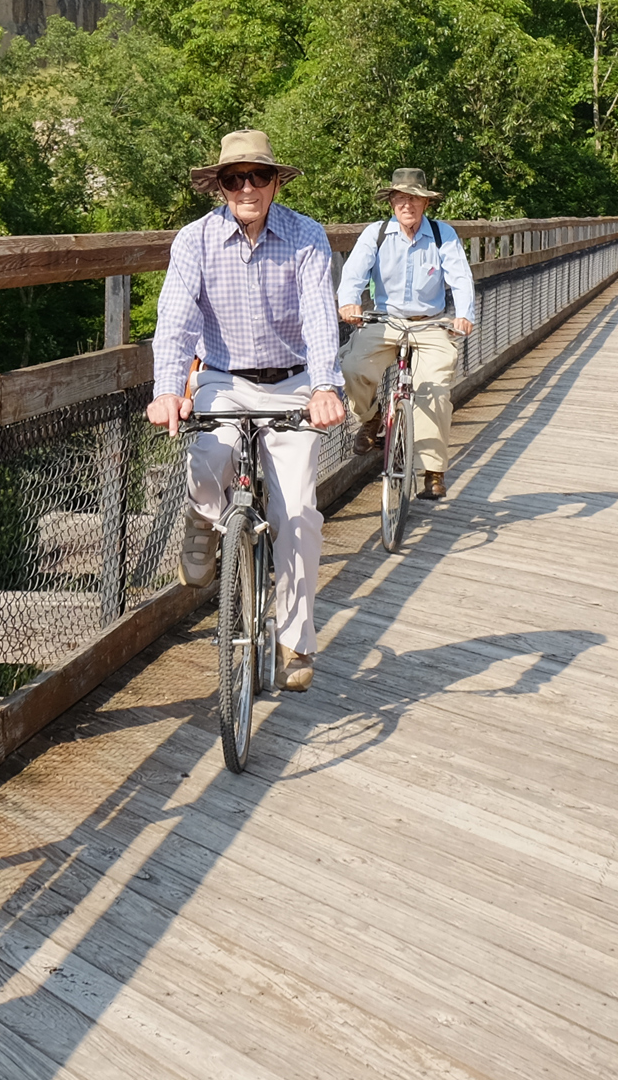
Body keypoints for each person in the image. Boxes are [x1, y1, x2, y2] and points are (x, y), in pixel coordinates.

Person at [147, 129, 346, 693]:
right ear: (220, 186)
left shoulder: (307, 236)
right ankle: (204, 518)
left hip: (292, 383)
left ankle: (295, 641)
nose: (247, 188)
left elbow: (318, 316)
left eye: (259, 176)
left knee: (299, 514)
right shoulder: (194, 240)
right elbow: (177, 318)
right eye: (235, 179)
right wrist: (167, 389)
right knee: (207, 457)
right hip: (222, 379)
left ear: (276, 182)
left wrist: (327, 386)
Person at [337, 168, 475, 500]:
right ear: (391, 202)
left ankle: (432, 470)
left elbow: (461, 277)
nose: (406, 205)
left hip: (430, 324)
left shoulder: (443, 236)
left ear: (425, 203)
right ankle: (370, 420)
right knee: (353, 366)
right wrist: (349, 302)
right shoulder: (377, 233)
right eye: (400, 198)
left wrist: (464, 315)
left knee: (435, 390)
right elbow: (354, 271)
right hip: (384, 321)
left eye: (413, 198)